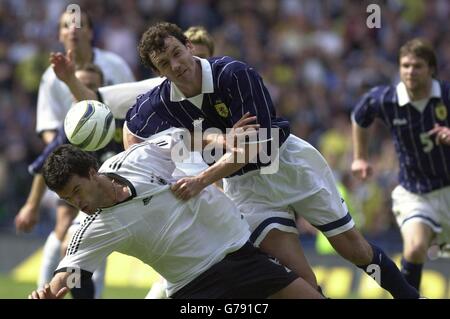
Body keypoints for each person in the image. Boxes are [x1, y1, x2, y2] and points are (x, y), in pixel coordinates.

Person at [124, 22, 420, 299]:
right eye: (164, 64)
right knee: (299, 279)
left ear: (188, 46)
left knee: (355, 250)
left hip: (289, 164)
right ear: (157, 72)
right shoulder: (159, 102)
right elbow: (131, 131)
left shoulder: (233, 74)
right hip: (247, 189)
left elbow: (256, 147)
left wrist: (201, 179)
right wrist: (203, 144)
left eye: (177, 53)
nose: (176, 66)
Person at [29, 137, 323, 299]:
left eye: (78, 191)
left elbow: (184, 137)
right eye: (68, 199)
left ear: (92, 173)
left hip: (242, 258)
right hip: (194, 288)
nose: (77, 203)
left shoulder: (137, 160)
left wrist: (222, 140)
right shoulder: (94, 228)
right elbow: (66, 274)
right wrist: (49, 295)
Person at [18, 8, 134, 293]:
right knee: (62, 233)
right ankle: (46, 289)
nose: (73, 30)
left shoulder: (115, 67)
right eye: (66, 25)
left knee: (91, 234)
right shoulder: (51, 79)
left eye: (80, 24)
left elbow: (134, 109)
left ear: (91, 32)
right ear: (59, 33)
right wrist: (71, 146)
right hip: (73, 163)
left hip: (114, 169)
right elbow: (48, 129)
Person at [351, 38, 450, 291]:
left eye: (417, 66)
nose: (409, 71)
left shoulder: (447, 97)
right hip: (415, 193)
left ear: (431, 69)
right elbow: (360, 116)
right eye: (405, 65)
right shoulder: (387, 99)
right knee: (416, 247)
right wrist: (360, 157)